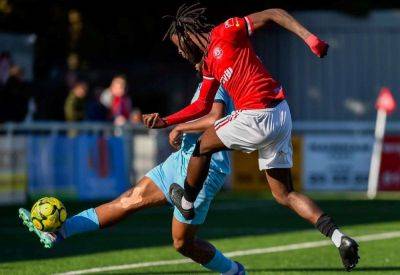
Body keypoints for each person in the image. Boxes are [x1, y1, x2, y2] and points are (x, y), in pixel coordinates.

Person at [142, 3, 359, 271]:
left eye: (178, 45)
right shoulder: (210, 63)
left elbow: (273, 13)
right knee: (284, 194)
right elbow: (201, 106)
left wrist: (309, 38)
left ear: (188, 35)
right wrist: (166, 121)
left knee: (201, 146)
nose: (179, 52)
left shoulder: (228, 30)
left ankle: (186, 203)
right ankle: (339, 238)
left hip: (257, 114)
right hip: (280, 114)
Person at [18, 64, 246, 275]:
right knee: (129, 199)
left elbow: (214, 118)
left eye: (188, 50)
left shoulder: (218, 79)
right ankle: (60, 232)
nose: (185, 56)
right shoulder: (205, 82)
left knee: (182, 243)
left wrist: (178, 127)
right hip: (180, 160)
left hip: (205, 167)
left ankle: (233, 271)